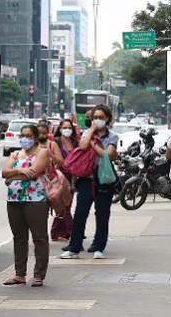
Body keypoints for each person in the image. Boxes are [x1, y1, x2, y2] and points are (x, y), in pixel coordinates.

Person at [61, 104, 118, 260]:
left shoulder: (112, 136)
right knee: (80, 212)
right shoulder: (87, 133)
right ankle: (74, 247)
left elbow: (109, 155)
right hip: (87, 179)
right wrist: (92, 131)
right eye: (95, 117)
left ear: (107, 119)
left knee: (102, 213)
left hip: (104, 179)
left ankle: (98, 246)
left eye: (101, 117)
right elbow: (82, 146)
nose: (98, 120)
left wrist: (94, 145)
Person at [1, 124, 51, 287]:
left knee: (39, 238)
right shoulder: (16, 153)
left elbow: (34, 172)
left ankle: (38, 275)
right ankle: (19, 274)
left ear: (35, 137)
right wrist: (22, 172)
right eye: (22, 135)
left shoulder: (42, 152)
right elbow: (4, 172)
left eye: (28, 135)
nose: (24, 138)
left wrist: (12, 177)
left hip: (35, 200)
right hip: (14, 200)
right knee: (19, 238)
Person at [50, 119, 78, 242]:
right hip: (60, 176)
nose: (67, 130)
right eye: (64, 127)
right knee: (63, 205)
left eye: (69, 127)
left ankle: (60, 232)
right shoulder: (56, 142)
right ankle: (73, 231)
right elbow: (58, 160)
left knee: (67, 205)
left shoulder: (75, 142)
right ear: (60, 129)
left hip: (72, 176)